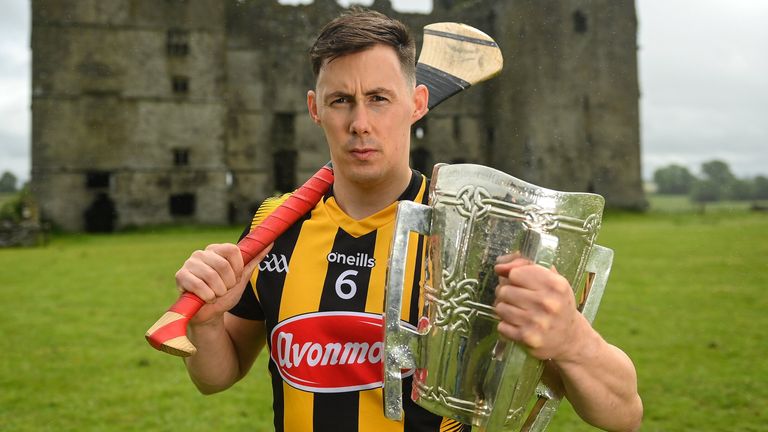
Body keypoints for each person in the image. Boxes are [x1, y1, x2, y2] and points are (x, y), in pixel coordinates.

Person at [174, 8, 643, 432]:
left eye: (379, 98)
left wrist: (572, 340)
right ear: (315, 109)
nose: (360, 122)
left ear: (417, 104)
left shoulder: (474, 234)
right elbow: (219, 375)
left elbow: (624, 414)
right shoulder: (274, 227)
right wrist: (208, 324)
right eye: (341, 100)